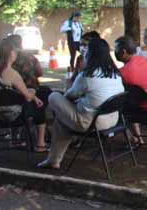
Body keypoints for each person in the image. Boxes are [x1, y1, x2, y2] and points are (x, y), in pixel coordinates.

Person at [38, 38, 124, 169]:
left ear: (90, 54)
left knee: (54, 96)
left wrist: (71, 84)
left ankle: (53, 160)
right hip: (112, 119)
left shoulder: (87, 75)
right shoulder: (116, 74)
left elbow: (69, 96)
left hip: (91, 123)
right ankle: (53, 160)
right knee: (61, 121)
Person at [0, 37, 48, 153]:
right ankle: (40, 143)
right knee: (38, 106)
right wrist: (33, 93)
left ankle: (14, 139)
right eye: (14, 52)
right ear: (10, 54)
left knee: (19, 100)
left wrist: (33, 96)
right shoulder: (12, 74)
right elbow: (27, 96)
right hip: (9, 115)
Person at [115, 35, 147, 146]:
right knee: (129, 101)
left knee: (113, 109)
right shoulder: (142, 60)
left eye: (116, 49)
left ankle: (133, 139)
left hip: (146, 109)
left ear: (123, 52)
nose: (115, 52)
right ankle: (139, 138)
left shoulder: (125, 73)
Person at [8, 33, 52, 113]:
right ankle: (40, 119)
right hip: (28, 91)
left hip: (13, 93)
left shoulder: (6, 59)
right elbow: (39, 73)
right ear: (21, 43)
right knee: (46, 92)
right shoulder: (30, 56)